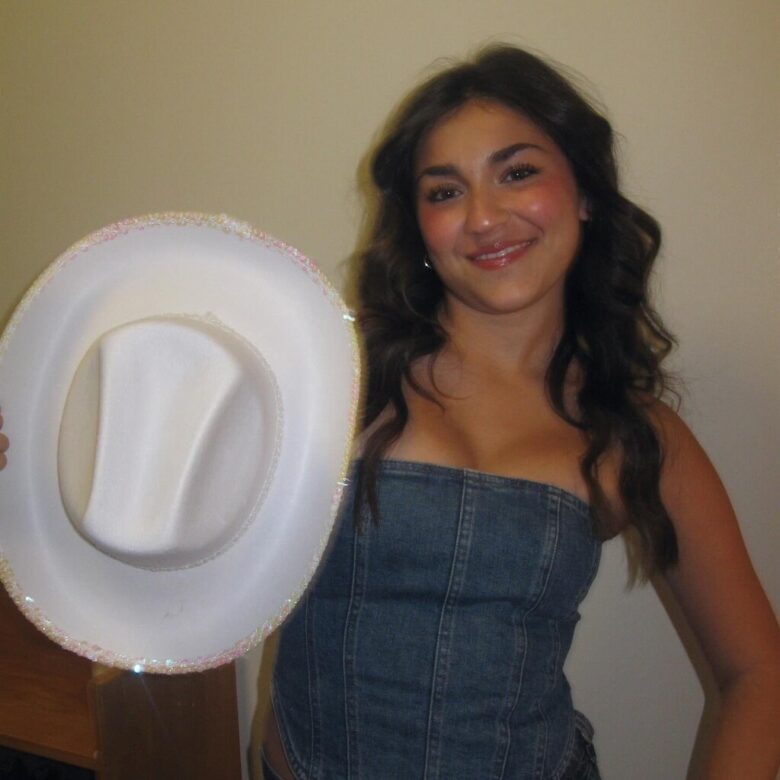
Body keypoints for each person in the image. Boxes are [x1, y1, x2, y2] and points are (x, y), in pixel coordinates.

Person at [260, 46, 780, 779]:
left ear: (584, 193)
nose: (482, 217)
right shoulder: (334, 371)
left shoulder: (635, 436)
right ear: (419, 228)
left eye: (518, 173)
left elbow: (760, 674)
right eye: (445, 192)